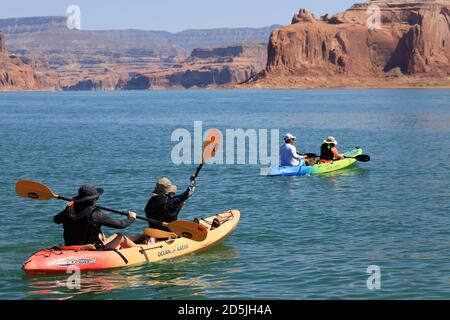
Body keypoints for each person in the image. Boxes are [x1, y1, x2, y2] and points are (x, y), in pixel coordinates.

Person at [53, 184, 138, 249]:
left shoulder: (69, 211)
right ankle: (140, 252)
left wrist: (71, 206)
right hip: (92, 250)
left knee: (114, 235)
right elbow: (121, 225)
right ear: (92, 200)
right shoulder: (95, 214)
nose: (96, 200)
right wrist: (132, 218)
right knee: (120, 236)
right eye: (96, 198)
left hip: (71, 248)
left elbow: (56, 220)